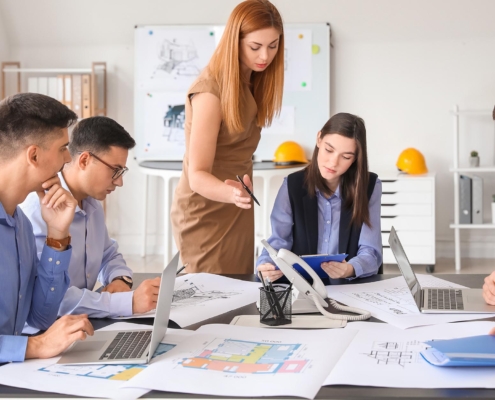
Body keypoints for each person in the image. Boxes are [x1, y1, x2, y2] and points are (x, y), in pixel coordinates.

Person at [171, 0, 285, 274]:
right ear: (235, 40)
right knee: (208, 296)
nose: (265, 56)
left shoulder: (250, 80)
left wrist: (237, 197)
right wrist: (231, 194)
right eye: (255, 47)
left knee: (237, 291)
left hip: (236, 203)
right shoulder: (210, 92)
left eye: (273, 45)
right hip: (206, 207)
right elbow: (197, 174)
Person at [20, 117, 160, 318]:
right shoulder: (38, 210)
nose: (119, 182)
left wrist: (120, 279)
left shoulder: (91, 204)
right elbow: (50, 299)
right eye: (115, 170)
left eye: (122, 172)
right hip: (44, 333)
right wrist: (125, 302)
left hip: (82, 322)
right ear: (84, 160)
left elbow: (108, 254)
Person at [0, 93, 93, 363]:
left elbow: (39, 317)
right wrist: (36, 346)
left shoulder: (21, 226)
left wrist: (57, 235)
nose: (68, 158)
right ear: (34, 155)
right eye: (63, 148)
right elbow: (37, 336)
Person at [257, 113, 382, 281]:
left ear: (355, 159)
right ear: (319, 139)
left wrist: (350, 269)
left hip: (348, 288)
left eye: (346, 156)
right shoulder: (292, 185)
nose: (333, 162)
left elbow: (370, 251)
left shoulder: (370, 186)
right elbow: (278, 241)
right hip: (302, 287)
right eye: (328, 150)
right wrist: (265, 266)